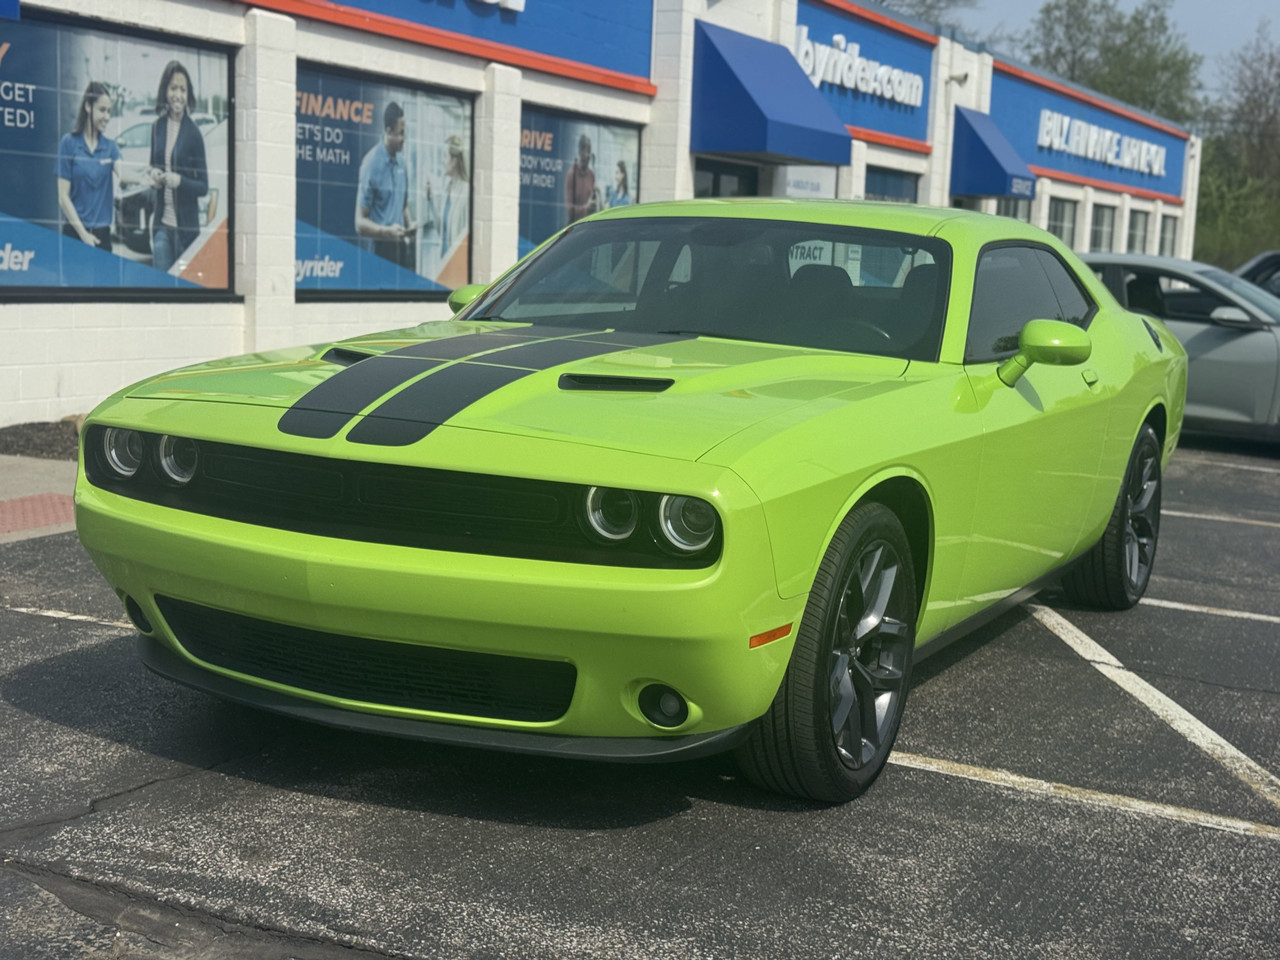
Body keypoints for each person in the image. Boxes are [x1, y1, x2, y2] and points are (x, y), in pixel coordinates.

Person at [148, 60, 209, 273]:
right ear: (165, 91)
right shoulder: (157, 127)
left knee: (185, 298)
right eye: (173, 88)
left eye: (183, 89)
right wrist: (154, 176)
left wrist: (180, 181)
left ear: (188, 94)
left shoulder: (193, 133)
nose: (178, 95)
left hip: (186, 233)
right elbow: (152, 166)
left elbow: (203, 186)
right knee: (161, 294)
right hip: (162, 229)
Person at [56, 81, 121, 252]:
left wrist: (145, 175)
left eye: (109, 111)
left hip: (103, 237)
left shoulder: (110, 147)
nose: (107, 116)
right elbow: (63, 197)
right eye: (102, 110)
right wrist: (83, 234)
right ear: (88, 107)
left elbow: (124, 171)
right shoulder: (68, 143)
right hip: (74, 235)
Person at [355, 101, 413, 268]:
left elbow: (403, 205)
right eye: (400, 133)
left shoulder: (402, 163)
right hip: (380, 254)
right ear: (388, 132)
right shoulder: (371, 164)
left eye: (405, 132)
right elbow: (359, 223)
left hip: (401, 251)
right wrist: (386, 232)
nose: (404, 138)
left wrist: (410, 225)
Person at [564, 133, 598, 224]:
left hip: (588, 226)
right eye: (584, 149)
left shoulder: (591, 175)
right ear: (579, 151)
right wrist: (586, 208)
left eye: (589, 150)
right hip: (574, 227)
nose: (587, 154)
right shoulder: (571, 174)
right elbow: (569, 209)